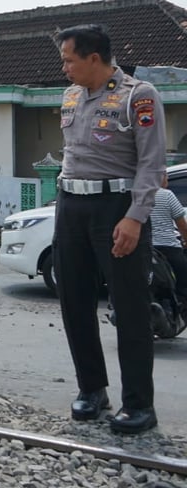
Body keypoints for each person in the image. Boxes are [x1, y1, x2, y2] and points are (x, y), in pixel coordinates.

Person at [53, 24, 166, 434]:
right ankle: (92, 390)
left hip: (116, 208)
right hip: (71, 207)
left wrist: (135, 217)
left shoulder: (139, 95)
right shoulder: (69, 96)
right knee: (75, 303)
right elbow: (72, 155)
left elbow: (152, 164)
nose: (63, 67)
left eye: (69, 59)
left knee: (130, 309)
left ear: (94, 59)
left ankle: (139, 405)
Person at [151, 171, 187, 312]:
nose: (167, 179)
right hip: (168, 248)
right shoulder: (167, 195)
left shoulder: (137, 195)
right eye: (166, 176)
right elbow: (181, 224)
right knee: (183, 282)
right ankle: (180, 307)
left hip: (145, 249)